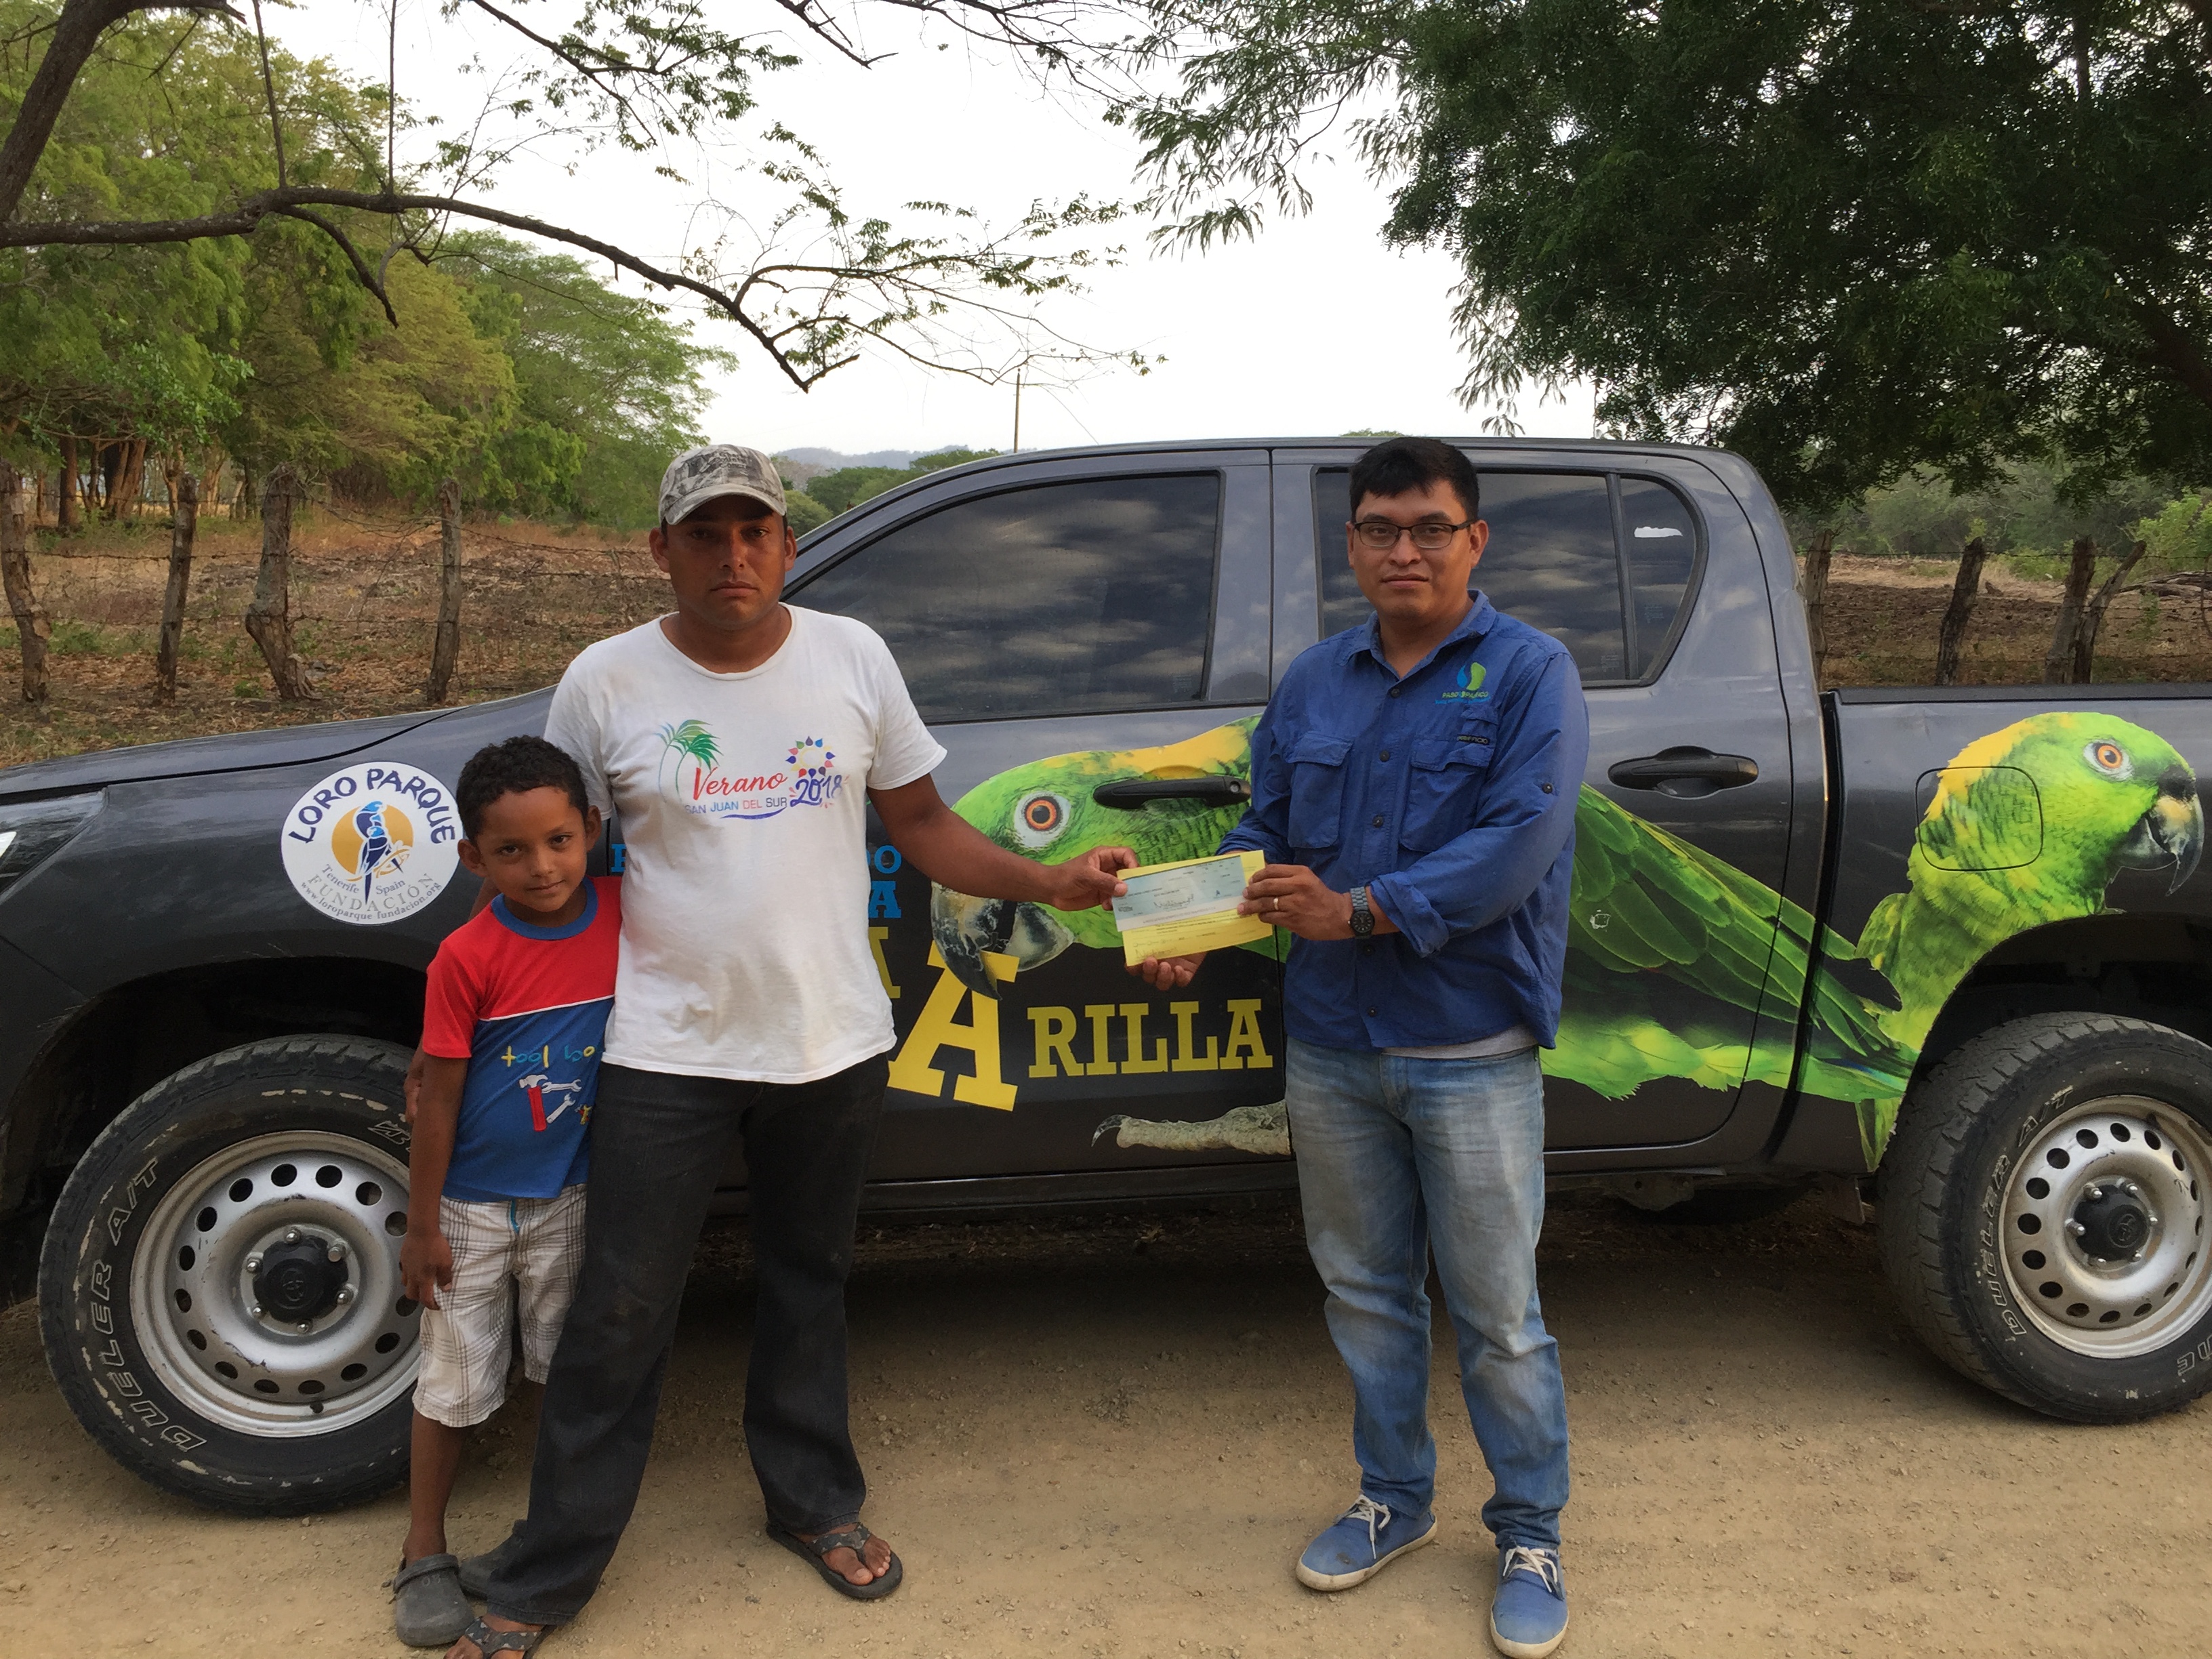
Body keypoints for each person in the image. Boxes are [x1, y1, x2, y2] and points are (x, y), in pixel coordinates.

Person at [446, 444, 1134, 1659]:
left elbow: (921, 822)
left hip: (830, 1039)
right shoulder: (604, 681)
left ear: (787, 544)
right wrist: (491, 998)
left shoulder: (852, 656)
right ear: (661, 551)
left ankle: (812, 1502)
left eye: (755, 530)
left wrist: (1049, 884)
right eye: (705, 534)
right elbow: (557, 859)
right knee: (622, 1306)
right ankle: (552, 1569)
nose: (734, 555)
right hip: (663, 1046)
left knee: (807, 1284)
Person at [1134, 436, 1586, 1659]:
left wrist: (1363, 911)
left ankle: (1530, 1532)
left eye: (1430, 528)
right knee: (1367, 1296)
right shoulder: (1314, 682)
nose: (1405, 551)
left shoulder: (1530, 672)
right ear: (1352, 545)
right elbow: (1267, 828)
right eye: (1381, 529)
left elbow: (1517, 844)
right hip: (1333, 1043)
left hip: (1468, 1044)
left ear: (1474, 540)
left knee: (1498, 1312)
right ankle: (1395, 1500)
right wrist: (1195, 926)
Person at [390, 736, 619, 1648]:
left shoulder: (621, 914)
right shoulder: (466, 956)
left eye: (559, 841)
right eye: (512, 851)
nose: (543, 867)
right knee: (451, 1382)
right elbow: (438, 1102)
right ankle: (423, 1550)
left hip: (570, 1199)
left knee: (565, 1376)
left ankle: (543, 1539)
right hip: (472, 1209)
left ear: (591, 829)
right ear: (473, 858)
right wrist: (422, 1226)